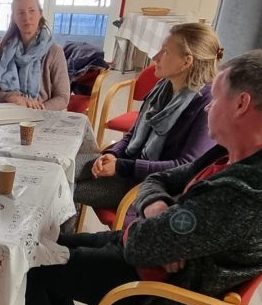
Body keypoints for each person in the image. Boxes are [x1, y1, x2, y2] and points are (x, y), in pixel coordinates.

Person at [22, 50, 262, 305]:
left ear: (241, 104)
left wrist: (154, 225)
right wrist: (154, 207)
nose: (207, 105)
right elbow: (158, 180)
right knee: (48, 243)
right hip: (163, 260)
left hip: (168, 297)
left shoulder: (239, 196)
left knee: (31, 264)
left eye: (215, 97)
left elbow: (140, 244)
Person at [74, 23, 222, 212]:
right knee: (56, 169)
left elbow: (183, 167)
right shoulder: (162, 88)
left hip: (144, 186)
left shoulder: (205, 106)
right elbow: (132, 134)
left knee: (59, 188)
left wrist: (121, 167)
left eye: (165, 52)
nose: (155, 57)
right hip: (126, 166)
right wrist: (113, 154)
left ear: (186, 62)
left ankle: (56, 239)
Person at [0, 0, 70, 110]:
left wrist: (38, 108)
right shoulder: (1, 48)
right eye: (20, 12)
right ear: (14, 18)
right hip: (6, 110)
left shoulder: (54, 51)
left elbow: (63, 97)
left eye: (32, 11)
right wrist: (9, 97)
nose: (26, 17)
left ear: (40, 13)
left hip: (40, 114)